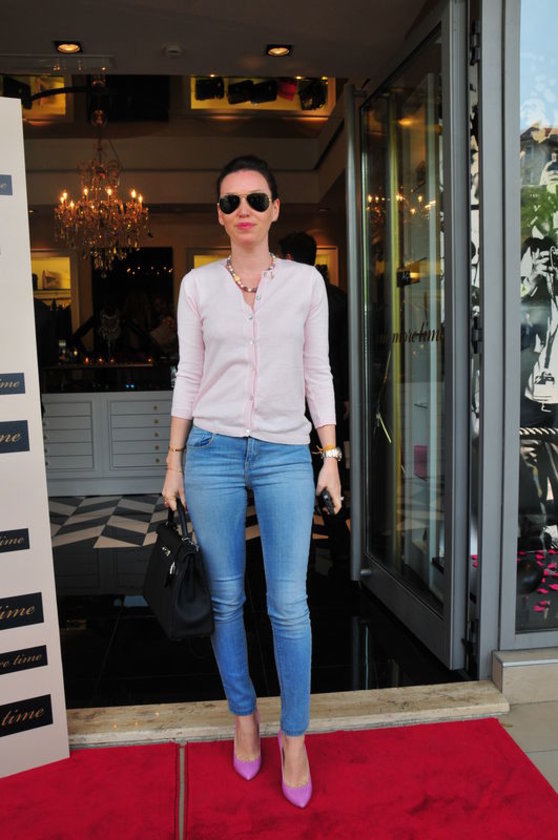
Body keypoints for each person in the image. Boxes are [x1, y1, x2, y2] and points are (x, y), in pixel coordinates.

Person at [162, 155, 341, 809]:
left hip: (284, 451)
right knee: (226, 600)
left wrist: (330, 454)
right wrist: (174, 460)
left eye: (256, 199)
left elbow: (317, 370)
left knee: (289, 604)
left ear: (274, 210)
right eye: (231, 201)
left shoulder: (306, 284)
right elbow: (189, 373)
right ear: (219, 214)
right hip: (210, 449)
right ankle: (244, 718)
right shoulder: (198, 287)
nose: (244, 210)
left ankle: (294, 736)